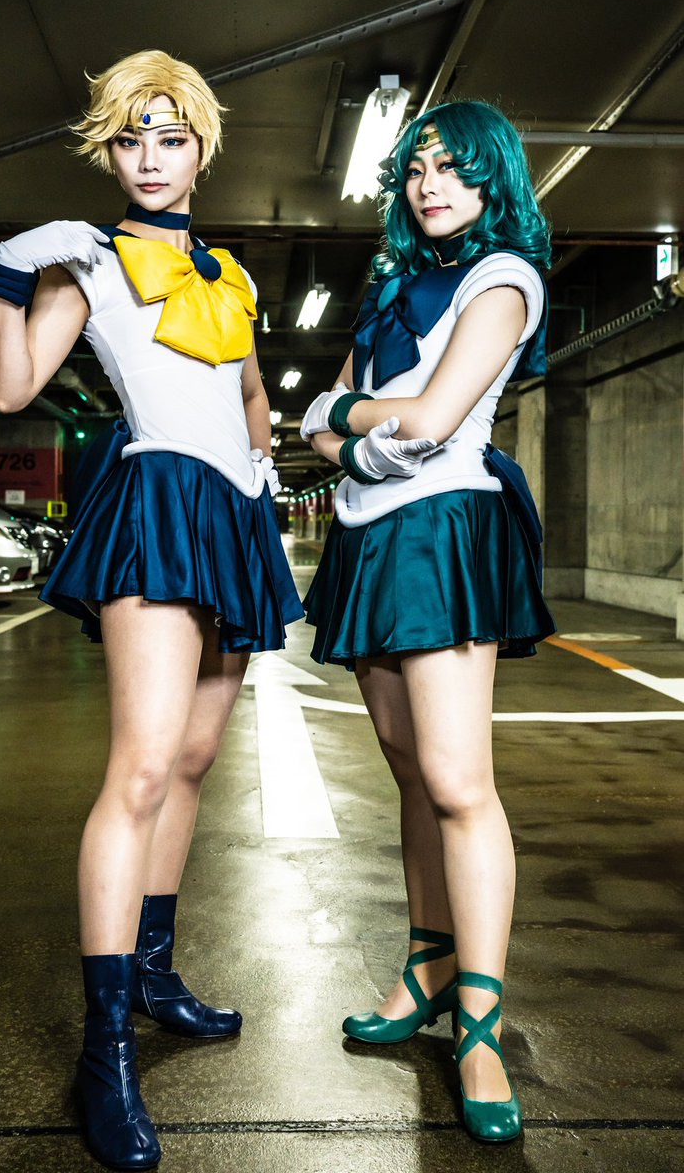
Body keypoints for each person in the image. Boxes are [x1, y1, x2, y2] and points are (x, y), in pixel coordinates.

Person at [0, 49, 302, 1170]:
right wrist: (7, 275)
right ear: (109, 152)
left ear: (201, 149)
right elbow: (11, 387)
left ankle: (157, 975)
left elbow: (248, 386)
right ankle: (103, 1050)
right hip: (158, 501)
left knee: (196, 759)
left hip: (232, 512)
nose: (151, 158)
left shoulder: (232, 273)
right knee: (142, 766)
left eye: (170, 138)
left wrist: (261, 466)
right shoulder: (89, 259)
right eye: (131, 139)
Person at [300, 100, 555, 1143]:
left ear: (493, 179)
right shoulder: (392, 285)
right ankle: (427, 969)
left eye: (453, 167)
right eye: (416, 169)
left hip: (444, 528)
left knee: (456, 782)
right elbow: (317, 421)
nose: (429, 184)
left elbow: (435, 417)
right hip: (369, 533)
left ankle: (481, 1028)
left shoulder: (503, 278)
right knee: (410, 774)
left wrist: (348, 424)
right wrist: (357, 430)